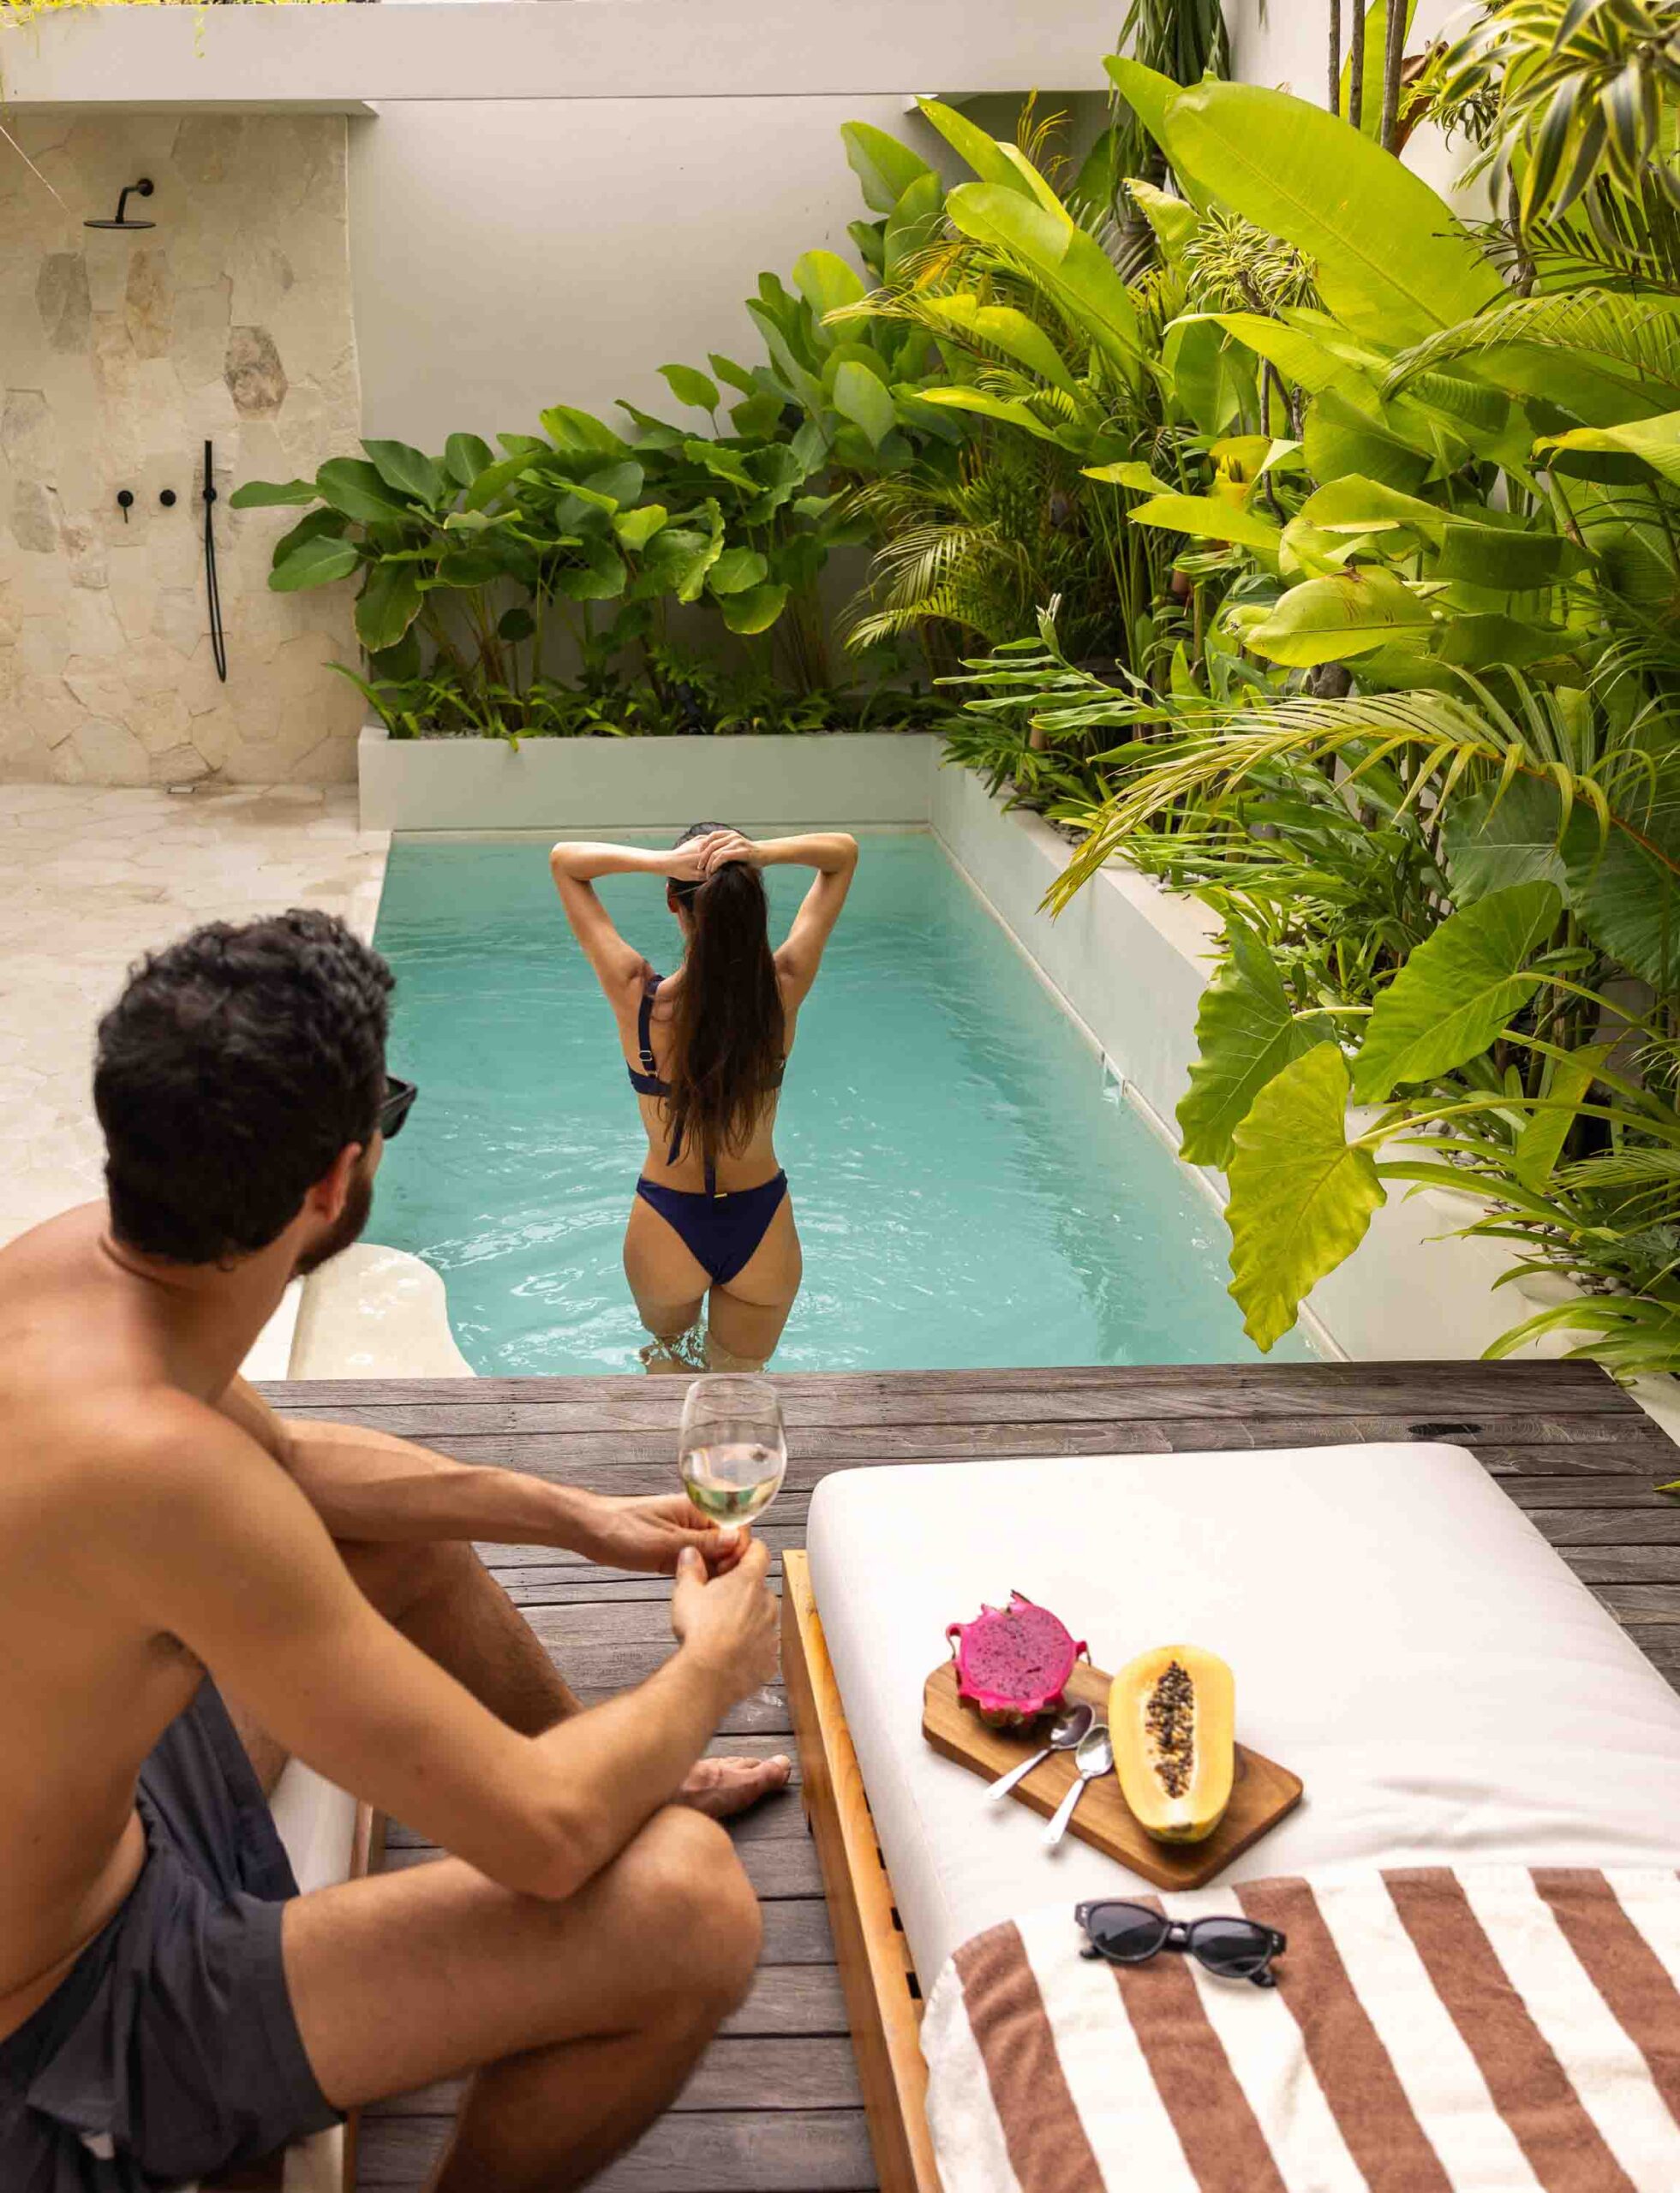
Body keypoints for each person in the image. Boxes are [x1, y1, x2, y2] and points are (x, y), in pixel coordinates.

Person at [0, 909, 788, 2193]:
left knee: (398, 1546)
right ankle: (615, 1785)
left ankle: (621, 1775)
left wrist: (570, 1513)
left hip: (100, 1820)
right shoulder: (163, 1478)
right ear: (335, 1180)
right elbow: (538, 1842)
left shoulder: (58, 1272)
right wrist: (710, 1669)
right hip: (66, 2027)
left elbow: (292, 1462)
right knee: (688, 1906)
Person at [551, 824, 858, 1374]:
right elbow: (842, 854)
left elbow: (566, 863)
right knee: (740, 1394)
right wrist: (761, 854)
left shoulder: (639, 998)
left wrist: (662, 862)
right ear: (753, 902)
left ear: (675, 901)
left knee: (669, 1372)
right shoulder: (782, 988)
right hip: (761, 1223)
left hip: (667, 1222)